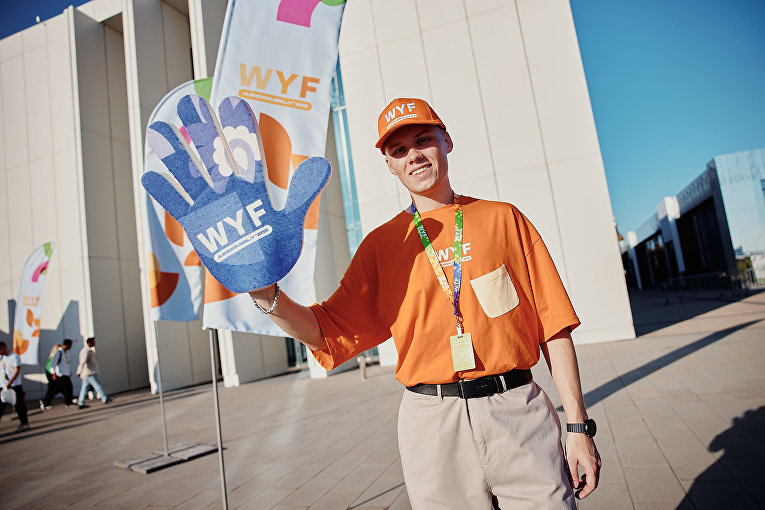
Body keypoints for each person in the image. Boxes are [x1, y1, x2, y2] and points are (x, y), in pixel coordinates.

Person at [251, 97, 600, 508]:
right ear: (389, 165)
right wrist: (263, 292)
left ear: (446, 142)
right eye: (399, 150)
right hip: (432, 423)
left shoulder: (504, 219)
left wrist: (578, 427)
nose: (413, 155)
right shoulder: (380, 246)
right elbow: (325, 331)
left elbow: (554, 325)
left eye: (423, 140)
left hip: (517, 409)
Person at [0, 341, 30, 432]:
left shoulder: (14, 356)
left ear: (4, 347)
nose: (0, 352)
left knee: (19, 406)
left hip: (14, 385)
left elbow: (17, 370)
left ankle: (24, 423)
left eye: (1, 350)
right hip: (3, 386)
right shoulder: (1, 358)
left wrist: (11, 381)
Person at [76, 337, 113, 409]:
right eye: (93, 341)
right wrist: (79, 371)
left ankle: (81, 402)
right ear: (90, 342)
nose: (95, 343)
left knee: (84, 388)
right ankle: (104, 398)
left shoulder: (89, 350)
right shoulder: (86, 351)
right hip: (89, 373)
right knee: (97, 386)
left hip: (88, 373)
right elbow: (82, 362)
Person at [41, 339, 74, 408]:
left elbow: (66, 364)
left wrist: (68, 372)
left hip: (64, 374)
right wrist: (53, 373)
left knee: (62, 389)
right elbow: (52, 365)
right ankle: (46, 402)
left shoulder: (65, 353)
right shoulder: (58, 353)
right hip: (60, 374)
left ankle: (68, 402)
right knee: (56, 389)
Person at [39, 343, 62, 412]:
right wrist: (53, 374)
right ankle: (45, 402)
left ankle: (46, 402)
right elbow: (51, 366)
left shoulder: (53, 354)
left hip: (50, 373)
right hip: (50, 373)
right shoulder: (56, 354)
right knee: (52, 388)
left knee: (56, 388)